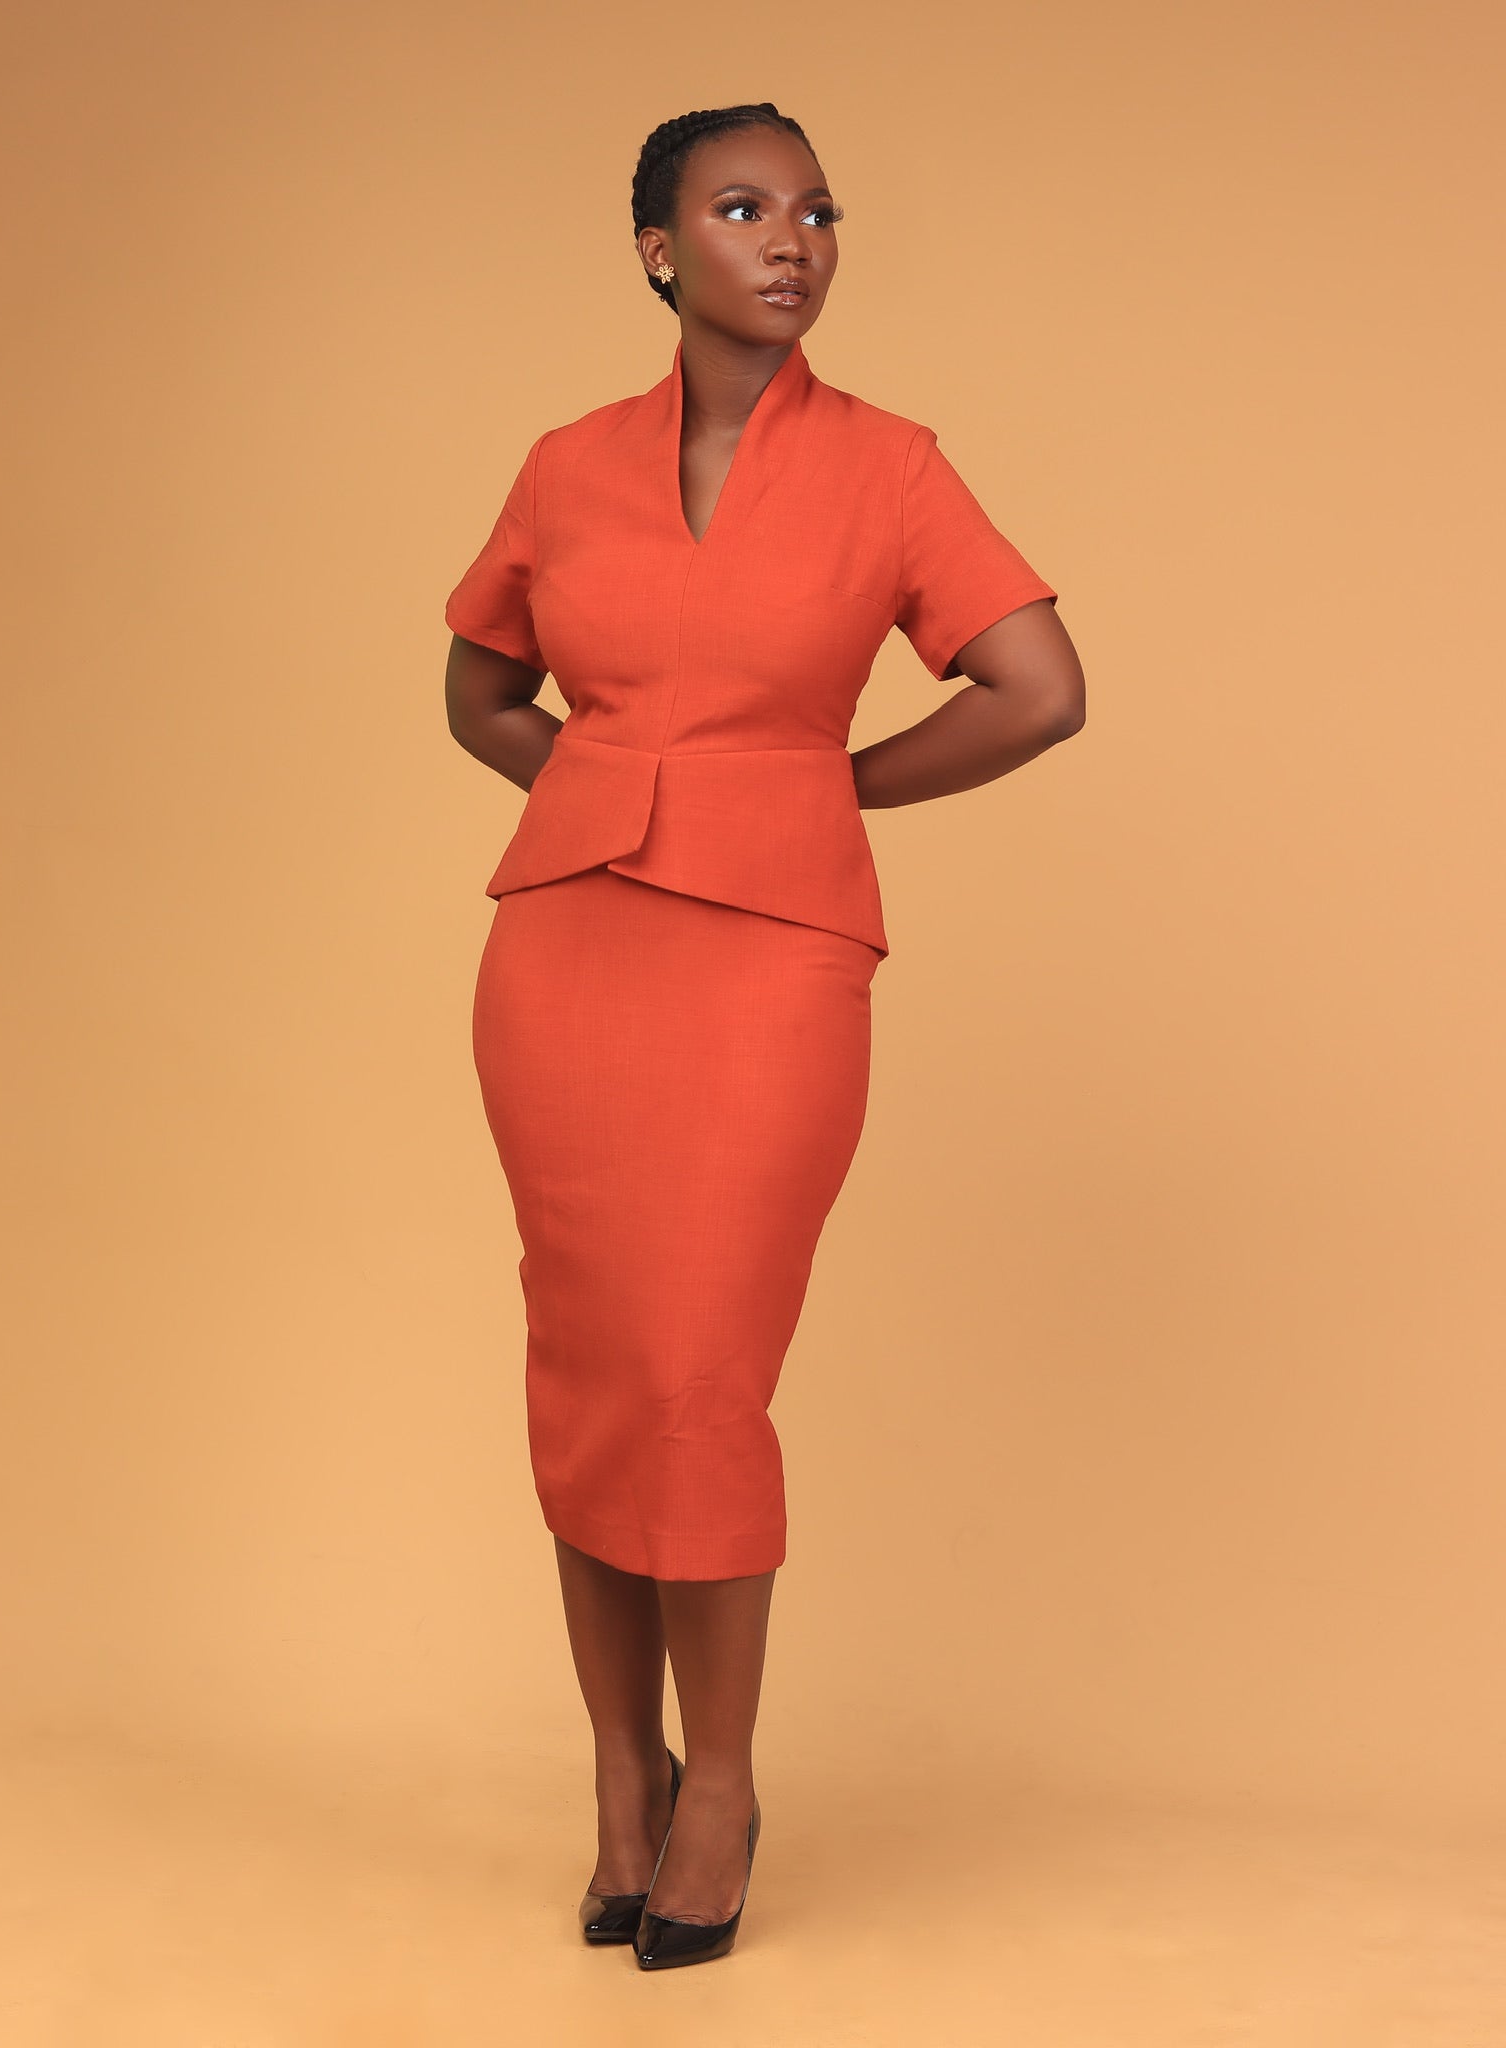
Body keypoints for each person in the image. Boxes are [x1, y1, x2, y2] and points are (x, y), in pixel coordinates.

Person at [442, 101, 1085, 1970]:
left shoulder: (891, 466)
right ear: (661, 250)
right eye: (742, 208)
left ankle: (716, 1788)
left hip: (774, 956)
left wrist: (819, 793)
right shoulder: (567, 464)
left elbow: (1038, 689)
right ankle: (619, 1780)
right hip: (568, 951)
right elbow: (480, 690)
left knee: (700, 1366)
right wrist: (607, 799)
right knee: (591, 1364)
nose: (792, 239)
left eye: (815, 210)